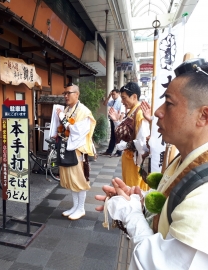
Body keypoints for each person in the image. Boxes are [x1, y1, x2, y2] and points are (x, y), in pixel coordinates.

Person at [96, 60, 208, 269]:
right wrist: (140, 201)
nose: (156, 112)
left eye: (169, 103)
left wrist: (131, 213)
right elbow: (172, 204)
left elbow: (157, 264)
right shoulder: (183, 160)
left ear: (203, 116)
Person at [54, 83, 96, 220]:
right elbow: (64, 128)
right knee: (71, 179)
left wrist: (62, 118)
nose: (65, 96)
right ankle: (75, 206)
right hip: (66, 148)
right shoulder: (67, 109)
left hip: (78, 150)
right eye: (64, 93)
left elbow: (77, 130)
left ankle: (81, 208)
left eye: (68, 93)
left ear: (76, 95)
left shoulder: (83, 111)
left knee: (79, 179)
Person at [108, 82, 149, 191]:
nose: (122, 101)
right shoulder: (133, 111)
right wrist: (117, 121)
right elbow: (127, 133)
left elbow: (143, 143)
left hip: (135, 162)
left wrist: (126, 145)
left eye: (124, 98)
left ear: (134, 96)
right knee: (129, 187)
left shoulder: (140, 113)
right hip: (129, 160)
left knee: (134, 190)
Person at [100, 88, 122, 157]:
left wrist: (119, 122)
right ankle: (109, 151)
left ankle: (119, 152)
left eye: (114, 94)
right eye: (112, 94)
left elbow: (122, 113)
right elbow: (104, 103)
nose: (113, 96)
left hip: (118, 121)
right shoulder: (113, 101)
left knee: (118, 136)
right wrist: (109, 96)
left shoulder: (120, 101)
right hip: (112, 120)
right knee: (113, 136)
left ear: (118, 94)